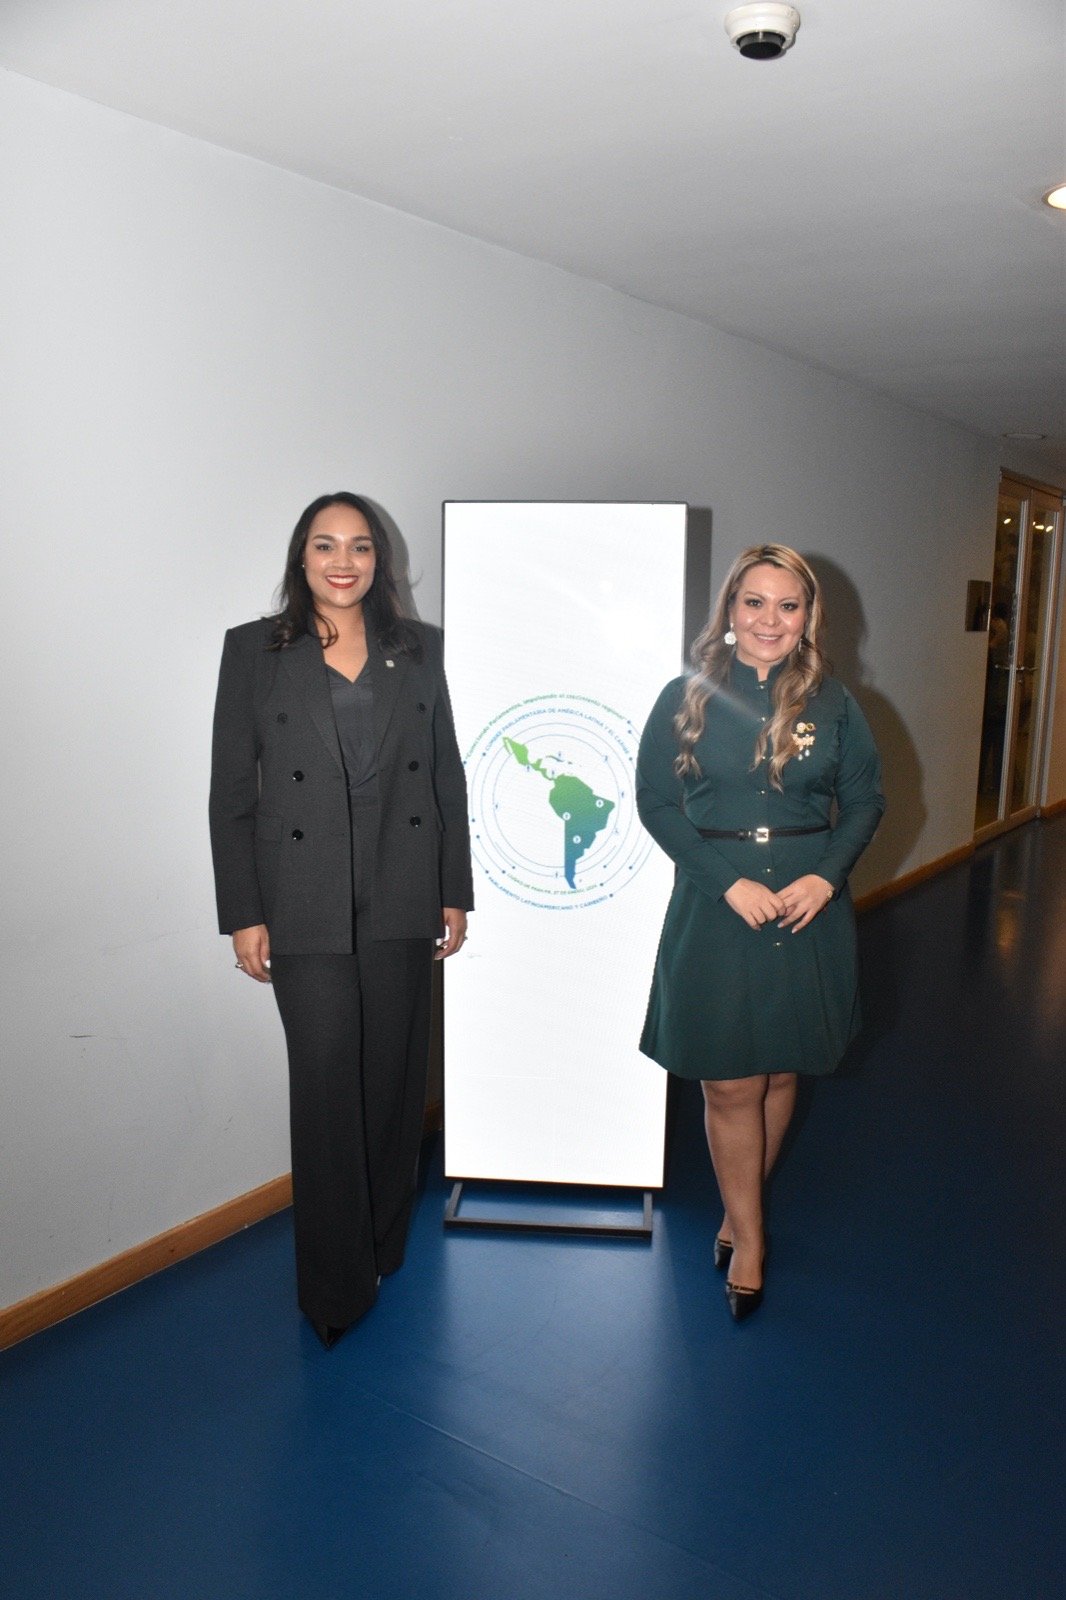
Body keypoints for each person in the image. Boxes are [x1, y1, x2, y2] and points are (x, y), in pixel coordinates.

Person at [209, 492, 473, 1348]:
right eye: (325, 545)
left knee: (394, 1080)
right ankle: (333, 1285)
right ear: (302, 558)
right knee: (327, 1086)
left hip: (401, 885)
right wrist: (244, 913)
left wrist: (452, 889)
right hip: (303, 897)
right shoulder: (254, 651)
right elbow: (231, 795)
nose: (343, 561)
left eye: (359, 546)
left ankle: (383, 1243)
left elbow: (445, 776)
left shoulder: (419, 649)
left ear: (379, 560)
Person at [636, 544, 883, 1321]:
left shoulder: (835, 704)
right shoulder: (687, 696)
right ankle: (751, 1239)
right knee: (730, 1080)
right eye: (754, 602)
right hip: (720, 903)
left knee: (779, 1071)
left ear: (808, 617)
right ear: (729, 610)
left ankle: (739, 1214)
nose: (769, 620)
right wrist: (726, 882)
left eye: (787, 605)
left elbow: (866, 801)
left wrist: (826, 876)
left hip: (808, 903)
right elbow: (656, 802)